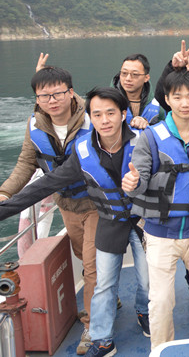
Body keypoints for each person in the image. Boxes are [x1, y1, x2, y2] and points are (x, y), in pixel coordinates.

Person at [0, 87, 150, 357]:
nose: (104, 120)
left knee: (148, 278)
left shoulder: (145, 141)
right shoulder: (82, 152)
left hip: (143, 220)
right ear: (90, 117)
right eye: (97, 114)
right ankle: (103, 340)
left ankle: (144, 310)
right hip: (110, 220)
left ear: (123, 114)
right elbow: (47, 183)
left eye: (111, 113)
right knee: (104, 283)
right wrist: (4, 208)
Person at [0, 65, 98, 354]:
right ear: (37, 99)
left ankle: (93, 326)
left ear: (71, 93)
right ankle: (105, 296)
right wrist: (5, 192)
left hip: (96, 203)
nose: (52, 100)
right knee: (82, 256)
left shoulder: (91, 122)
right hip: (66, 203)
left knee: (91, 263)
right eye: (44, 96)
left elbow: (66, 173)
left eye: (57, 93)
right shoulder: (35, 125)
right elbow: (26, 162)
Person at [122, 70, 189, 348]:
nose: (184, 103)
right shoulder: (151, 137)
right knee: (161, 297)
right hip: (160, 232)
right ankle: (161, 345)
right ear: (167, 99)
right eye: (177, 97)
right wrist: (133, 183)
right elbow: (140, 177)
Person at [113, 53, 164, 129]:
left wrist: (149, 127)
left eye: (135, 74)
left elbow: (164, 132)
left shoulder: (158, 107)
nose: (128, 78)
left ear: (146, 78)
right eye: (124, 73)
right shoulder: (108, 103)